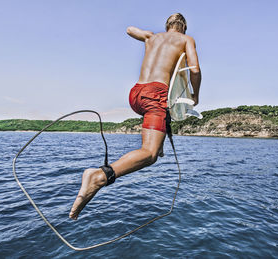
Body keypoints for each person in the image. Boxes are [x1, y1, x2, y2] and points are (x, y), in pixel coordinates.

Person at [69, 13, 201, 220]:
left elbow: (129, 29)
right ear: (183, 27)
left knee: (157, 132)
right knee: (150, 154)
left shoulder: (151, 37)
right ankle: (98, 176)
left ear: (167, 26)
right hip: (155, 94)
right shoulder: (186, 39)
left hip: (136, 94)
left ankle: (158, 142)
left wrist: (146, 35)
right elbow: (194, 69)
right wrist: (195, 95)